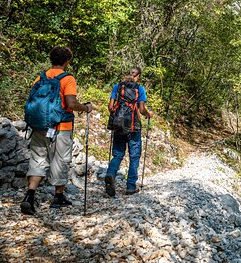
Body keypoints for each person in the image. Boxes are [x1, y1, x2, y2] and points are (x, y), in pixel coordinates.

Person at [20, 46, 95, 215]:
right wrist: (86, 108)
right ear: (67, 61)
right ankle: (58, 196)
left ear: (51, 59)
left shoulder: (41, 77)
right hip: (60, 127)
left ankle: (29, 196)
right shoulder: (67, 79)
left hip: (39, 126)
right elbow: (70, 103)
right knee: (60, 160)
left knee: (38, 159)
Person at [105, 67, 153, 196]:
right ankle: (131, 187)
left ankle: (110, 174)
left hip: (119, 126)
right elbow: (142, 109)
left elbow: (110, 107)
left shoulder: (117, 87)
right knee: (134, 156)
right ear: (138, 76)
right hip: (134, 126)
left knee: (118, 154)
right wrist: (149, 114)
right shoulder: (140, 89)